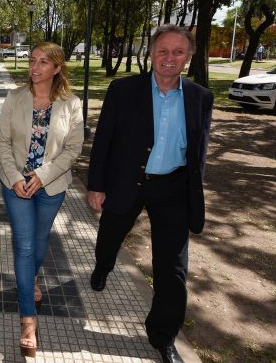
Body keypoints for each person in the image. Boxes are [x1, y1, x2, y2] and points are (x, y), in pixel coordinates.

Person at [87, 24, 214, 363]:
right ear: (151, 53)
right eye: (163, 51)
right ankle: (103, 266)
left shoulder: (201, 97)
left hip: (173, 188)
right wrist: (96, 185)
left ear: (188, 56)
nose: (169, 58)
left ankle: (163, 336)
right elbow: (103, 140)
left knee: (173, 268)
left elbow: (199, 151)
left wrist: (193, 191)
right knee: (109, 236)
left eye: (178, 52)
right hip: (126, 181)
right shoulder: (123, 90)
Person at [0, 42, 84, 357]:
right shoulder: (15, 98)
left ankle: (31, 278)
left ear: (57, 68)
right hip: (16, 184)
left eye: (43, 62)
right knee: (25, 246)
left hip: (51, 185)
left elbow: (73, 149)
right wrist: (16, 177)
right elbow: (2, 141)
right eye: (32, 60)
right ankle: (28, 320)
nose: (34, 67)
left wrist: (42, 176)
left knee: (40, 238)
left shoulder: (72, 104)